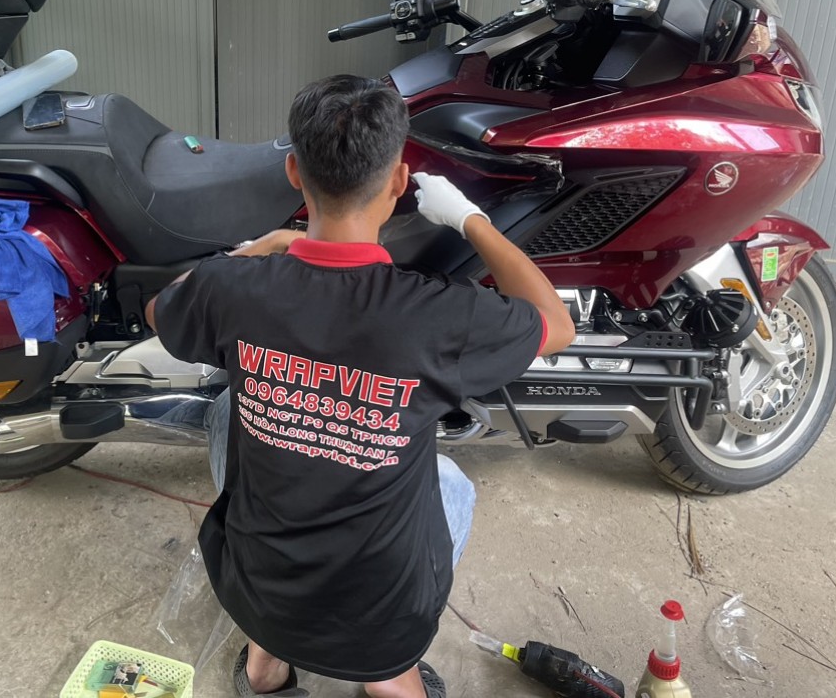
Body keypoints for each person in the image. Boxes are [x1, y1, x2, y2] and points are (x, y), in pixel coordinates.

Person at [146, 75, 574, 698]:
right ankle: (387, 678)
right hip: (381, 620)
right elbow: (556, 324)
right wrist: (470, 219)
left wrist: (265, 247)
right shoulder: (440, 315)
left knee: (229, 410)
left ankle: (266, 664)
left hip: (258, 590)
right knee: (451, 484)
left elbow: (161, 307)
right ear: (398, 182)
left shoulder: (231, 290)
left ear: (294, 172)